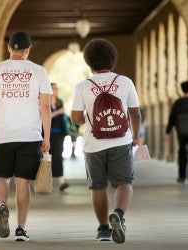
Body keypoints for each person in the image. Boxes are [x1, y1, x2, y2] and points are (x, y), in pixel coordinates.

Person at [0, 31, 52, 241]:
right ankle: (21, 229)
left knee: (0, 177)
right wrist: (46, 138)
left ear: (9, 48)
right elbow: (45, 107)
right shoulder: (38, 71)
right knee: (22, 183)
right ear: (28, 49)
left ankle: (2, 205)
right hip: (29, 135)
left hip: (2, 135)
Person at [70, 38, 141, 244]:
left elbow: (75, 118)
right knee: (124, 183)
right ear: (113, 59)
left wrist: (89, 120)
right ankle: (118, 214)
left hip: (93, 144)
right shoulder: (125, 81)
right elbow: (135, 114)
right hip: (121, 140)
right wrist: (135, 136)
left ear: (88, 62)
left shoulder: (82, 86)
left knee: (98, 186)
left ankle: (103, 230)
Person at [50, 82, 69, 191]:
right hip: (46, 134)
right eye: (53, 88)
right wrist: (58, 112)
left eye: (57, 88)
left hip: (59, 134)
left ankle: (61, 181)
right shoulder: (44, 102)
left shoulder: (59, 101)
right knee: (46, 157)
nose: (55, 90)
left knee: (58, 156)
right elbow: (45, 117)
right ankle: (47, 181)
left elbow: (62, 116)